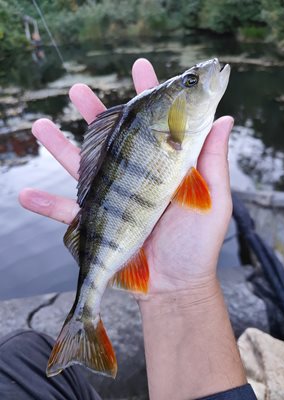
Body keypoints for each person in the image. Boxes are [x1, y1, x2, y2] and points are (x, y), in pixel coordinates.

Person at [0, 59, 257, 399]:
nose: (205, 73)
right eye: (191, 82)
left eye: (190, 80)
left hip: (131, 237)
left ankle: (83, 322)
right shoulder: (164, 130)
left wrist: (182, 289)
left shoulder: (168, 131)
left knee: (22, 351)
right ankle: (83, 320)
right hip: (122, 236)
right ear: (170, 114)